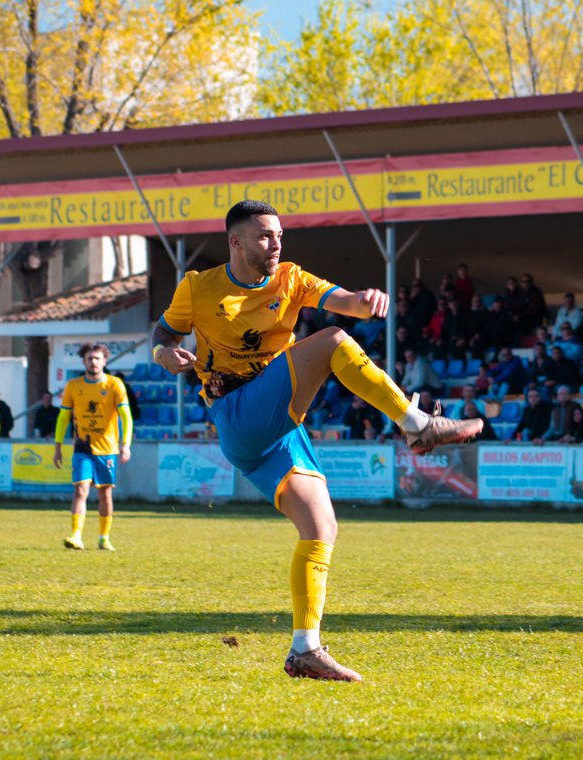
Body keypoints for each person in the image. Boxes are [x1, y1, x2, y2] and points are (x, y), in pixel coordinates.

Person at [150, 200, 482, 683]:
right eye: (265, 235)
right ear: (236, 242)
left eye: (280, 234)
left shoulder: (292, 278)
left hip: (278, 430)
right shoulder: (199, 287)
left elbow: (342, 301)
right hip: (238, 413)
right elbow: (162, 333)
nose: (276, 243)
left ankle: (304, 649)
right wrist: (164, 354)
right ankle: (416, 424)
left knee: (320, 527)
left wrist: (364, 299)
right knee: (330, 342)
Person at [53, 343, 132, 551]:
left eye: (97, 358)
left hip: (107, 449)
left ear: (104, 361)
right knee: (80, 489)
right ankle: (75, 535)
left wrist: (126, 444)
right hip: (83, 447)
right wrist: (58, 445)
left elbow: (126, 416)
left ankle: (104, 538)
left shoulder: (115, 385)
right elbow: (63, 418)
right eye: (90, 358)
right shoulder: (73, 385)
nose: (94, 362)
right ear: (84, 361)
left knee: (105, 494)